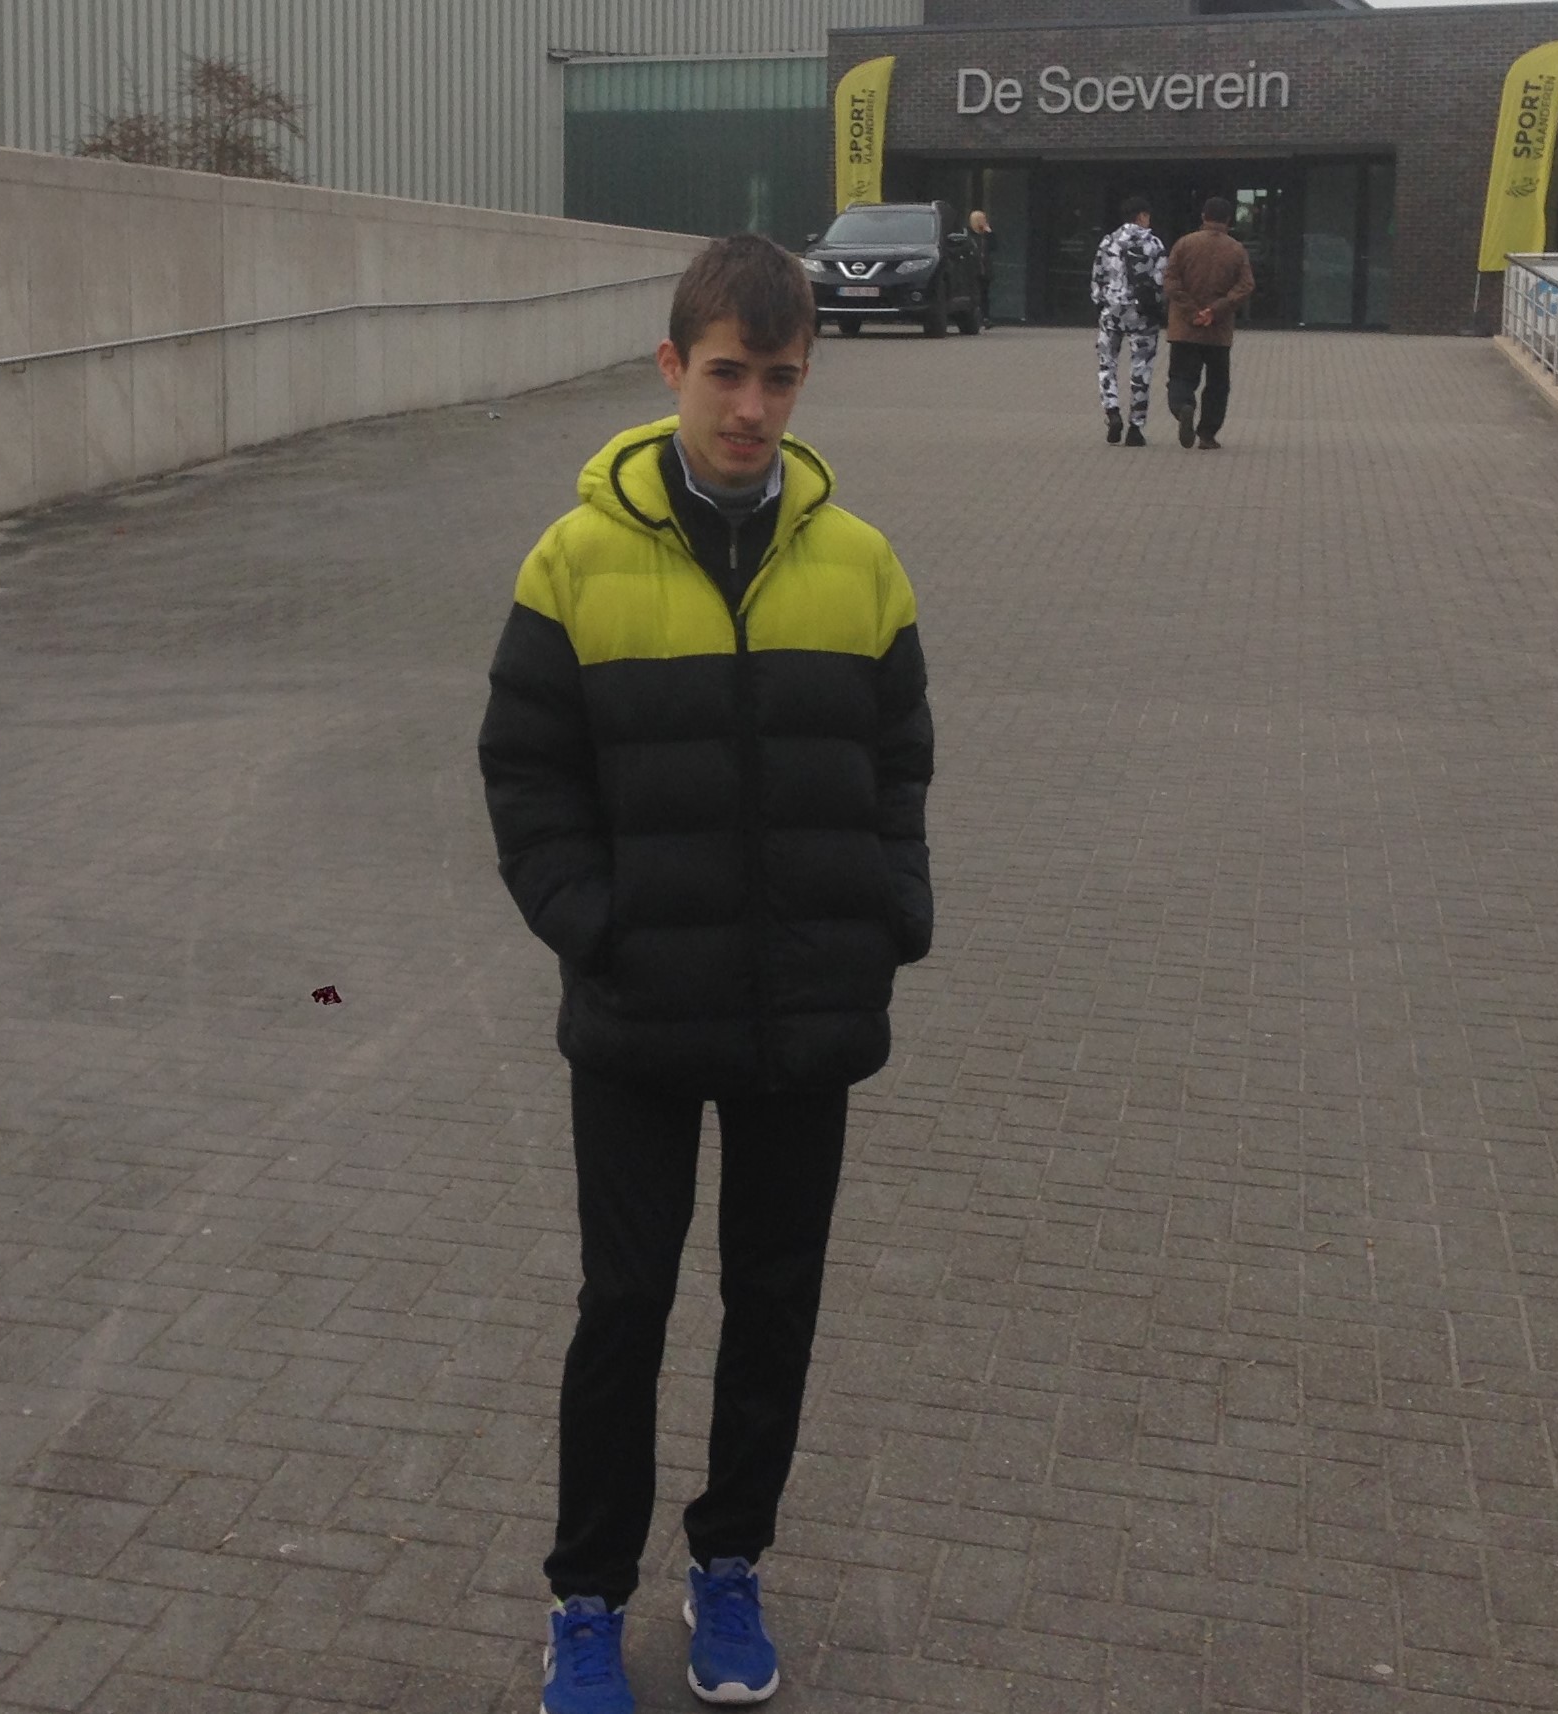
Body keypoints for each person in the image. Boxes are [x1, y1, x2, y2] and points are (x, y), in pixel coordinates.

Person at [478, 234, 935, 1714]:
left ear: (806, 377)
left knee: (773, 1303)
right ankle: (587, 1598)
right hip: (636, 1011)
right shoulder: (573, 559)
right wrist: (591, 919)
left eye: (780, 378)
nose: (751, 408)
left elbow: (898, 762)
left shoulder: (861, 563)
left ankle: (728, 1563)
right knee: (624, 1308)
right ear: (671, 365)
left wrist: (890, 913)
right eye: (727, 374)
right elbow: (525, 772)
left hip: (808, 1008)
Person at [1164, 195, 1256, 450]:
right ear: (1228, 220)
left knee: (1180, 377)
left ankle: (1184, 406)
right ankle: (1207, 434)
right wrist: (1215, 310)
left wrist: (1192, 311)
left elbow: (1170, 281)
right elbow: (1246, 285)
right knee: (1217, 384)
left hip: (1185, 328)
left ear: (1203, 216)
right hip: (1218, 330)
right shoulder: (1236, 249)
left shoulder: (1184, 244)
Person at [1088, 194, 1169, 446]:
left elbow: (1097, 277)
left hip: (1112, 310)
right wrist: (1157, 306)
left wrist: (1101, 302)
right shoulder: (1154, 244)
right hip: (1142, 314)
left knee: (1107, 364)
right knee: (1141, 369)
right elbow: (1161, 280)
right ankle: (1136, 427)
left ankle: (1112, 411)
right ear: (1142, 216)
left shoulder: (1108, 241)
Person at [967, 208, 994, 322]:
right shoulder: (969, 235)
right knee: (974, 295)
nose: (985, 221)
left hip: (984, 270)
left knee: (984, 294)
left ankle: (986, 317)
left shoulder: (985, 235)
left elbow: (994, 247)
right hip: (973, 270)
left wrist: (990, 233)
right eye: (983, 219)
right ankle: (974, 318)